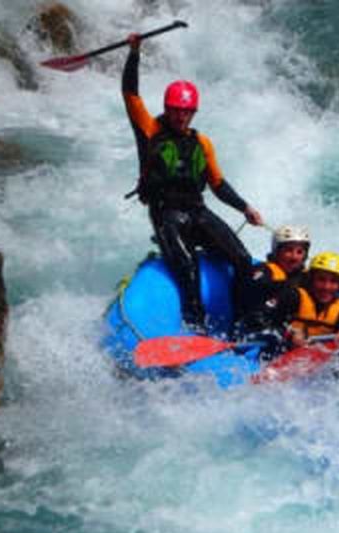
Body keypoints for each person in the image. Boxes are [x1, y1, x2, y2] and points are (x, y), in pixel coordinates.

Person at [122, 33, 263, 330]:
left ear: (193, 112)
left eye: (186, 111)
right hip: (165, 213)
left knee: (242, 258)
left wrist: (245, 208)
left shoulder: (203, 143)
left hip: (197, 211)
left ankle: (243, 319)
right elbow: (130, 95)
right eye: (176, 109)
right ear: (167, 108)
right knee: (187, 267)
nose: (181, 116)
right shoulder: (150, 130)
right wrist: (134, 53)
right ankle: (195, 326)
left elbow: (218, 184)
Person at [234, 225, 310, 337]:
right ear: (277, 251)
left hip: (297, 332)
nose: (294, 257)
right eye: (288, 250)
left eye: (299, 252)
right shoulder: (263, 270)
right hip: (259, 328)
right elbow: (251, 288)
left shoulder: (307, 278)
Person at [272, 251, 339, 349]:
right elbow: (266, 324)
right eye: (321, 279)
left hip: (317, 358)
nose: (326, 287)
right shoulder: (293, 297)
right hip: (282, 351)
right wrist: (289, 333)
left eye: (334, 281)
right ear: (311, 280)